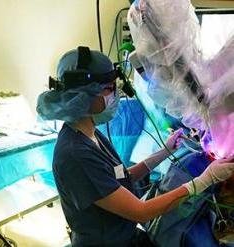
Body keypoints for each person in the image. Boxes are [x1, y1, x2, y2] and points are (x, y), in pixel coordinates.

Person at [36, 46, 234, 247]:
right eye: (109, 89)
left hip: (126, 236)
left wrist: (164, 152)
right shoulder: (75, 155)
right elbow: (141, 211)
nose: (116, 95)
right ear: (86, 95)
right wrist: (204, 181)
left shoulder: (90, 132)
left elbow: (119, 179)